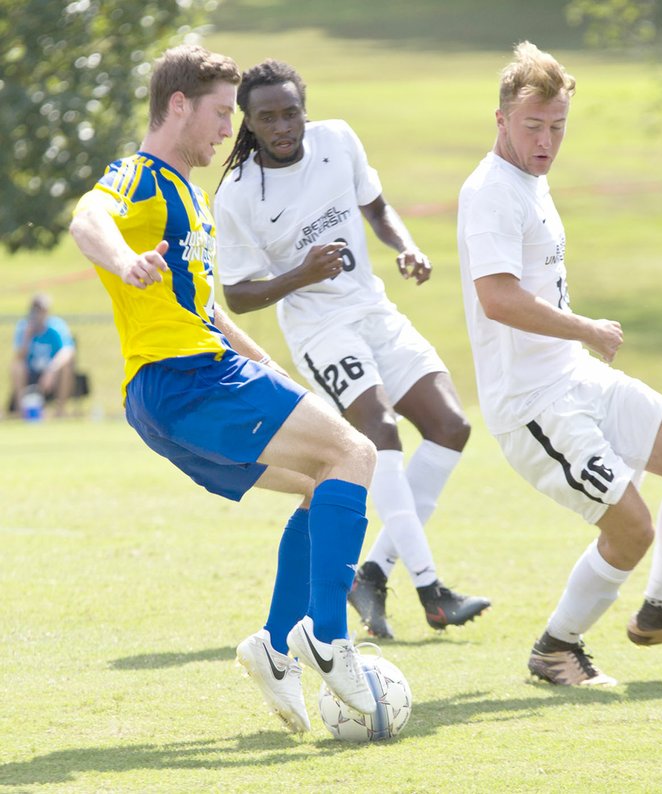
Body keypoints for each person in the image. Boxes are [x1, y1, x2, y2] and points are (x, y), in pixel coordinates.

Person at [69, 44, 379, 734]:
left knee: (320, 482)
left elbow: (207, 313)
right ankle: (329, 638)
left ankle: (274, 649)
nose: (225, 129)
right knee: (357, 457)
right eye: (217, 114)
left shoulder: (188, 197)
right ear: (178, 105)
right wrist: (124, 259)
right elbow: (87, 218)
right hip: (186, 380)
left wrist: (275, 374)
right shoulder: (139, 176)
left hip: (173, 395)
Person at [457, 41, 662, 686]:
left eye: (557, 126)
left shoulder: (531, 178)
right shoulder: (492, 191)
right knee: (632, 528)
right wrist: (585, 327)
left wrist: (578, 342)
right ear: (500, 119)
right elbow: (497, 299)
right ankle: (556, 649)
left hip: (576, 377)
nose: (546, 139)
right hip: (533, 404)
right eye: (533, 125)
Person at [214, 58, 490, 640]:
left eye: (292, 112)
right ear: (250, 123)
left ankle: (371, 573)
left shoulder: (338, 140)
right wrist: (301, 274)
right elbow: (237, 297)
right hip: (319, 329)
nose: (284, 126)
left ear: (304, 109)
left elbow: (376, 207)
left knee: (452, 426)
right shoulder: (237, 194)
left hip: (374, 309)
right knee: (380, 430)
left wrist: (406, 246)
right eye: (269, 117)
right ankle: (432, 590)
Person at [10, 293, 76, 418]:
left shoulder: (56, 326)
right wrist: (26, 337)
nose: (38, 314)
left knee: (66, 368)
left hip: (52, 372)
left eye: (41, 310)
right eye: (35, 310)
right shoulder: (24, 327)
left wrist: (51, 370)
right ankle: (21, 411)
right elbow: (18, 357)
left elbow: (68, 351)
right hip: (31, 373)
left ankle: (60, 411)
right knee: (16, 367)